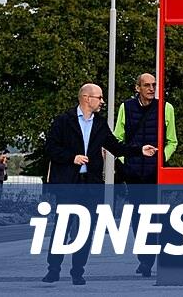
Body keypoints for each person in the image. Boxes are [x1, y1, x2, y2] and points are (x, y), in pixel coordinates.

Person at [43, 83, 156, 285]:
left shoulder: (100, 124)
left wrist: (140, 150)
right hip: (69, 183)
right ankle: (54, 268)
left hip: (91, 185)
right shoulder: (63, 121)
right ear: (87, 98)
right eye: (100, 98)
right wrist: (72, 157)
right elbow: (50, 147)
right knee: (63, 227)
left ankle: (78, 271)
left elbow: (117, 147)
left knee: (86, 229)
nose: (103, 102)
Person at [112, 72, 177, 277]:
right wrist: (125, 162)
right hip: (133, 173)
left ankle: (150, 259)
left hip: (155, 173)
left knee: (156, 215)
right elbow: (117, 138)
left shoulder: (166, 108)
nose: (151, 88)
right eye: (147, 85)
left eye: (154, 85)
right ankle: (145, 259)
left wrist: (161, 161)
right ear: (137, 88)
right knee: (138, 218)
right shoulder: (126, 107)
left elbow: (172, 141)